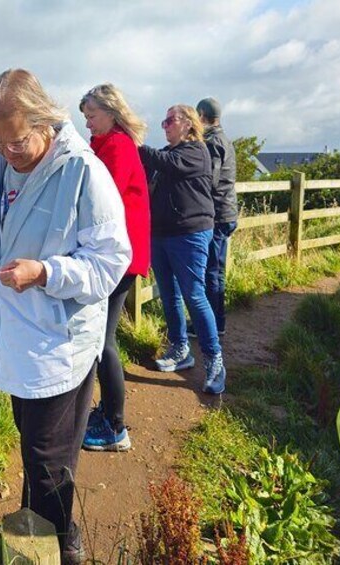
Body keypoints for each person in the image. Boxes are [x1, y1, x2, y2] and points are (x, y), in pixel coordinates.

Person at [0, 69, 131, 564]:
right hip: (13, 340)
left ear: (44, 120)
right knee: (37, 454)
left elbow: (110, 259)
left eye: (17, 140)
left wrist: (46, 273)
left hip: (59, 344)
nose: (8, 151)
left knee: (47, 464)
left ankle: (56, 549)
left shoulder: (82, 172)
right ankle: (38, 545)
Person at [78, 84, 150, 452]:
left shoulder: (118, 146)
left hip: (119, 257)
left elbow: (102, 201)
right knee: (100, 337)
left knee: (103, 340)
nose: (87, 123)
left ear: (110, 111)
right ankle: (107, 412)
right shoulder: (106, 145)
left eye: (91, 115)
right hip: (118, 255)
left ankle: (115, 427)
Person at [139, 105, 227, 395]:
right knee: (169, 293)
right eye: (162, 121)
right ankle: (180, 348)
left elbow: (167, 163)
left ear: (189, 124)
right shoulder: (168, 153)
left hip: (189, 234)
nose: (164, 125)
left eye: (170, 120)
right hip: (161, 234)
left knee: (194, 294)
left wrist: (135, 143)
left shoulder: (196, 151)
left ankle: (214, 359)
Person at [188, 97, 237, 338]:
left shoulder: (211, 142)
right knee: (216, 271)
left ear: (201, 116)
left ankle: (211, 325)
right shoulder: (225, 139)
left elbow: (211, 179)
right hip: (227, 211)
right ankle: (217, 321)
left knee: (211, 271)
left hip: (217, 214)